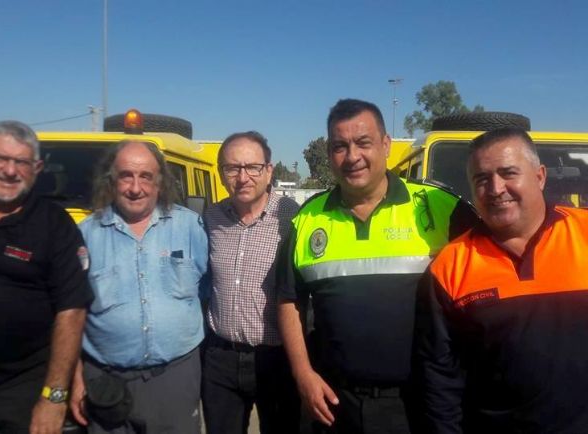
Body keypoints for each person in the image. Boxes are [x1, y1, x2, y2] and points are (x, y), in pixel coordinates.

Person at [278, 98, 476, 434]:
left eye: (363, 142)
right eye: (340, 146)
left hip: (420, 403)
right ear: (329, 153)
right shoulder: (308, 218)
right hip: (335, 405)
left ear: (386, 145)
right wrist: (303, 374)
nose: (352, 156)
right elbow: (288, 299)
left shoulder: (440, 207)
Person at [413, 127, 588, 433]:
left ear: (539, 176)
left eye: (508, 173)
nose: (495, 189)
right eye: (481, 179)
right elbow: (438, 380)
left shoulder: (583, 233)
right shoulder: (449, 268)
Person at [0, 121, 92, 433]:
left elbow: (72, 310)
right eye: (0, 158)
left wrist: (54, 397)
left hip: (19, 388)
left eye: (22, 162)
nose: (10, 171)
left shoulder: (55, 225)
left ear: (37, 169)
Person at [69, 140, 208, 434]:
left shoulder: (190, 226)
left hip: (175, 379)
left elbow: (208, 292)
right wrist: (76, 376)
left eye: (145, 176)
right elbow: (71, 312)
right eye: (126, 176)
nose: (135, 188)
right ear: (111, 180)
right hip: (105, 381)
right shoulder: (85, 235)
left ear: (160, 182)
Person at [201, 131, 301, 434]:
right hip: (220, 360)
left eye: (252, 167)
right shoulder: (211, 218)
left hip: (276, 359)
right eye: (232, 168)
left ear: (269, 171)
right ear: (221, 174)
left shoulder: (293, 219)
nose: (242, 177)